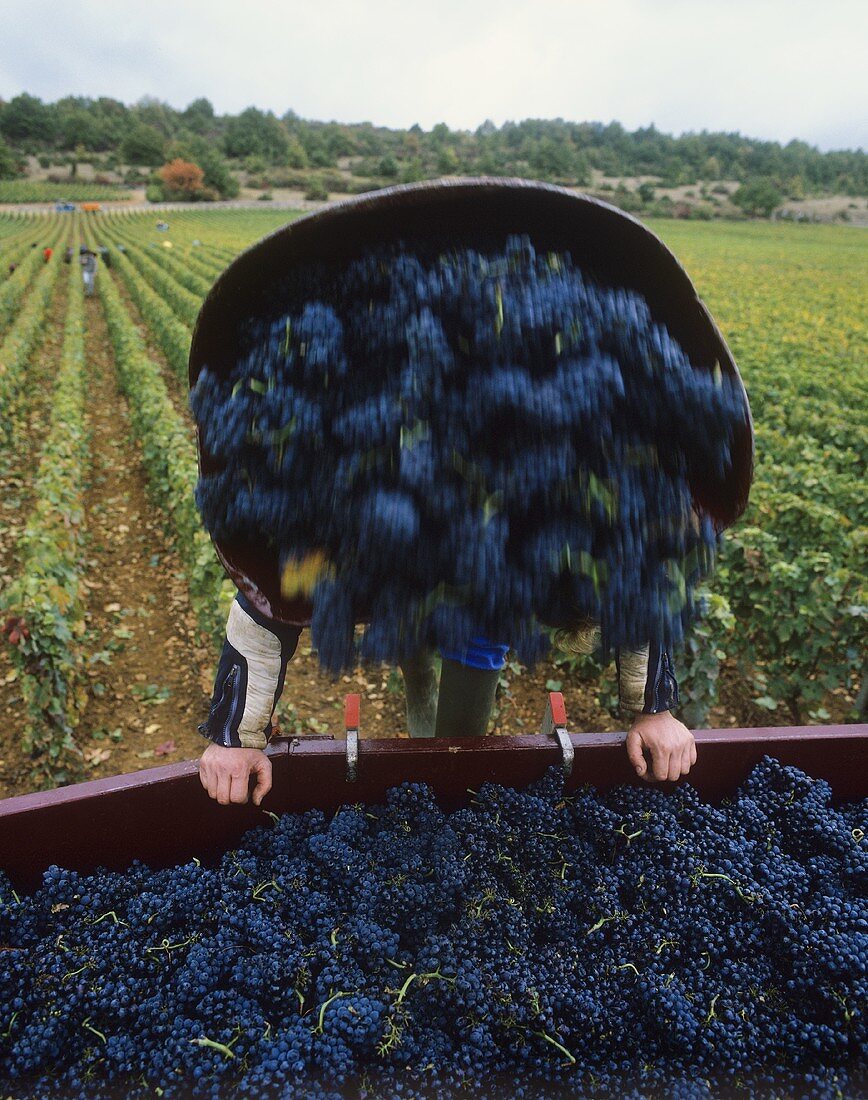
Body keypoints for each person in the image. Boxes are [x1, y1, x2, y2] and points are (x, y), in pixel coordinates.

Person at [197, 593, 693, 807]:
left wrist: (657, 707)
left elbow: (636, 579)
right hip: (400, 573)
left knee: (460, 724)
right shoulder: (363, 507)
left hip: (488, 603)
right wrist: (235, 734)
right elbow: (264, 598)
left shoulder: (564, 508)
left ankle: (445, 753)